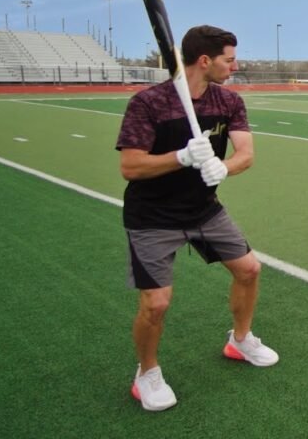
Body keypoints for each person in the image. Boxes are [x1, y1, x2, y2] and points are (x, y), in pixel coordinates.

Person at [116, 25, 278, 412]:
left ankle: (240, 340)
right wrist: (181, 157)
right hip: (153, 216)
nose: (236, 66)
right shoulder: (150, 103)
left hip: (204, 209)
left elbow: (246, 153)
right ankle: (147, 373)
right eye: (230, 59)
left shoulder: (228, 102)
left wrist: (224, 168)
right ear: (205, 60)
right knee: (156, 304)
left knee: (249, 270)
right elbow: (130, 166)